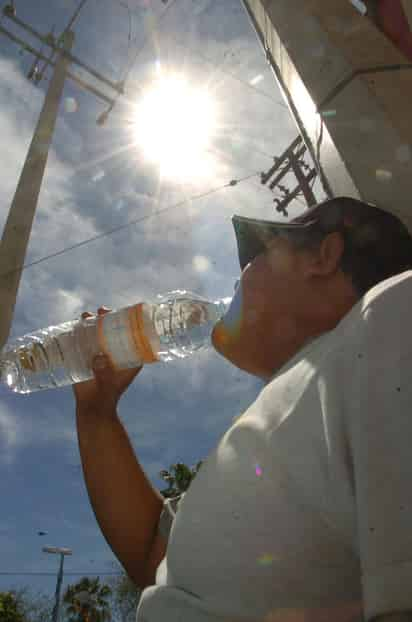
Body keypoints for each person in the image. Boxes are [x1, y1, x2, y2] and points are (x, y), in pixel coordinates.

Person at [73, 196, 412, 622]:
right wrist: (97, 414)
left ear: (322, 257)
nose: (238, 277)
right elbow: (150, 556)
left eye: (257, 252)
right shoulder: (272, 425)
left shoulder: (392, 319)